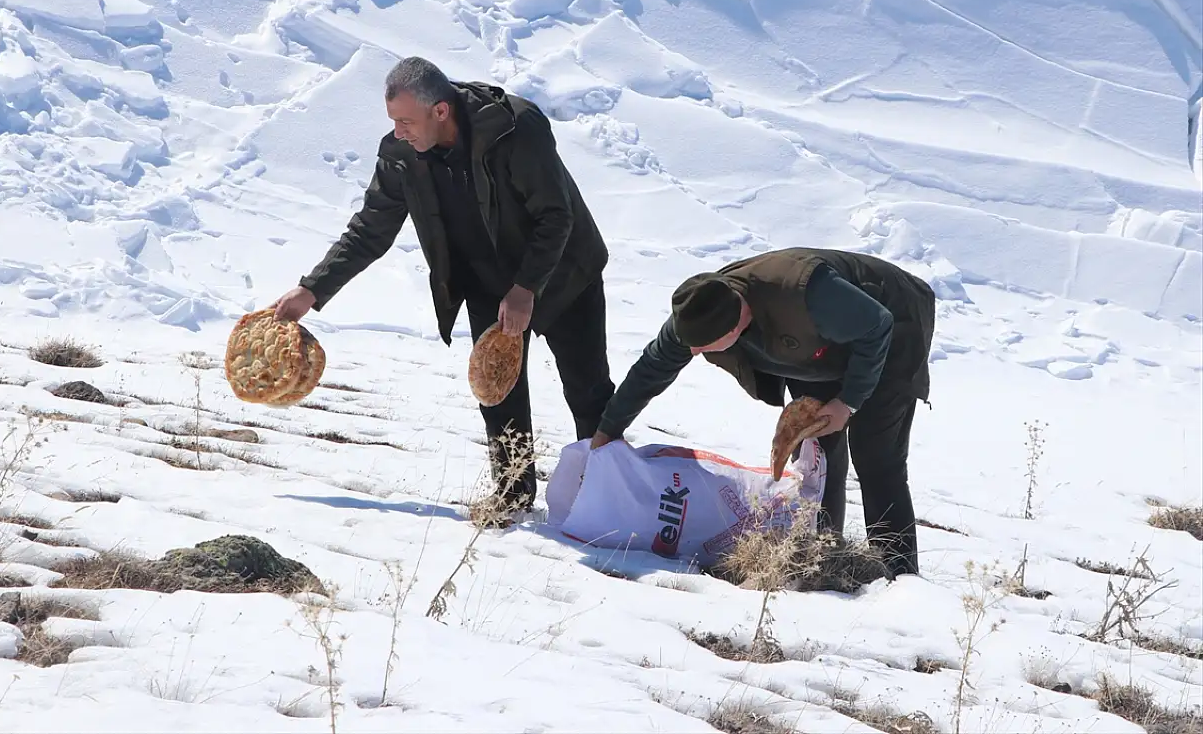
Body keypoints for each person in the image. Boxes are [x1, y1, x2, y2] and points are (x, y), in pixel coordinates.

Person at [272, 56, 616, 521]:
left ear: (440, 111)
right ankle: (512, 497)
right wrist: (310, 290)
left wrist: (526, 288)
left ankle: (604, 494)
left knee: (588, 390)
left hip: (563, 274)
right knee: (496, 394)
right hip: (487, 286)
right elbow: (370, 229)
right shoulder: (399, 155)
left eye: (406, 121)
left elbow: (556, 216)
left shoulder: (515, 127)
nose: (398, 132)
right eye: (393, 121)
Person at [590, 247, 936, 577]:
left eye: (704, 346)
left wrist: (848, 402)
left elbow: (877, 326)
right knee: (816, 458)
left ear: (735, 329)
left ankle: (898, 575)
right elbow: (652, 369)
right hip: (819, 353)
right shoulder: (700, 308)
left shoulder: (803, 291)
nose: (693, 351)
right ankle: (822, 557)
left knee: (876, 459)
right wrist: (608, 430)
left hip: (891, 333)